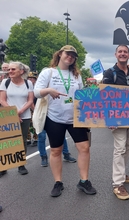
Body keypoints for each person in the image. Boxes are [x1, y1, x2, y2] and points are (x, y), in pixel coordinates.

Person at [34, 45, 96, 197]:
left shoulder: (76, 75)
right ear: (60, 54)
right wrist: (49, 91)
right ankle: (58, 182)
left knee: (84, 148)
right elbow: (36, 92)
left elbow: (82, 96)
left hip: (75, 117)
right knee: (56, 151)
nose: (70, 57)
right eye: (68, 54)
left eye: (73, 55)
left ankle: (84, 181)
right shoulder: (48, 72)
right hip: (54, 117)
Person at [102, 45, 129, 200]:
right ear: (116, 54)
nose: (123, 54)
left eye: (125, 52)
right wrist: (108, 117)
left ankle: (121, 172)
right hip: (116, 117)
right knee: (120, 147)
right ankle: (117, 184)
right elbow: (104, 94)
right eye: (120, 52)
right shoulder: (110, 73)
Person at [0, 61, 34, 175]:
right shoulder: (5, 82)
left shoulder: (28, 83)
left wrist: (21, 111)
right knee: (7, 140)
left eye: (13, 69)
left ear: (21, 71)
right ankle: (4, 166)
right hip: (9, 116)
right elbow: (2, 100)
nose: (10, 71)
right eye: (9, 69)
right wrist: (14, 113)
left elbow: (30, 100)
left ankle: (21, 164)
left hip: (24, 116)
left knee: (22, 140)